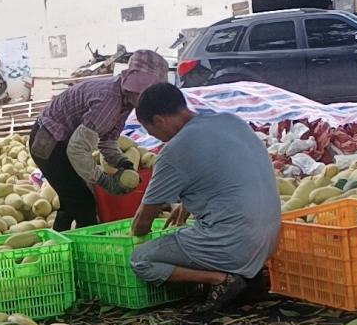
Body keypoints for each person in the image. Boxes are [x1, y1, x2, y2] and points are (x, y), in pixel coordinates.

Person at [129, 83, 281, 307]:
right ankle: (247, 275)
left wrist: (133, 236)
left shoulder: (174, 151)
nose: (158, 139)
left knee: (140, 259)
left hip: (236, 244)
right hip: (270, 240)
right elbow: (224, 172)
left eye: (152, 132)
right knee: (202, 229)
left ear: (160, 120)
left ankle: (222, 279)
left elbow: (142, 222)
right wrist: (188, 204)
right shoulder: (231, 121)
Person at [29, 50, 169, 230]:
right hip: (48, 142)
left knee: (72, 200)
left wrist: (122, 162)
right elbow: (77, 149)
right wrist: (104, 181)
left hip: (60, 140)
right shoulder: (108, 101)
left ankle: (61, 244)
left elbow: (107, 141)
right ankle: (86, 250)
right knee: (84, 204)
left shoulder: (125, 101)